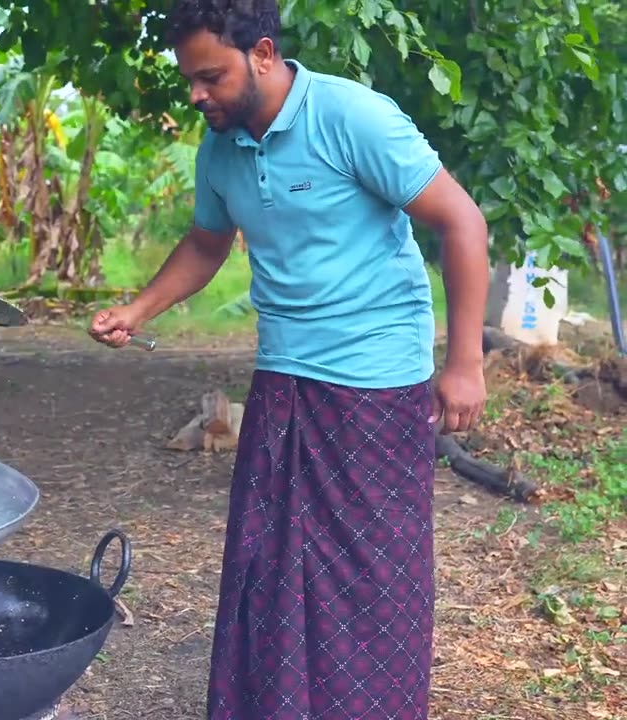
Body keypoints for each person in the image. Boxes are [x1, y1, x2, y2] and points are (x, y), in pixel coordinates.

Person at [90, 1, 489, 717]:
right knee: (268, 564)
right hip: (284, 374)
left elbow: (462, 221)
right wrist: (138, 308)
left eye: (209, 76)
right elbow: (209, 243)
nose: (195, 95)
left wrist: (465, 363)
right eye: (189, 78)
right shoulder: (221, 145)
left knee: (371, 574)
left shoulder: (351, 117)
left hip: (375, 381)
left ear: (264, 54)